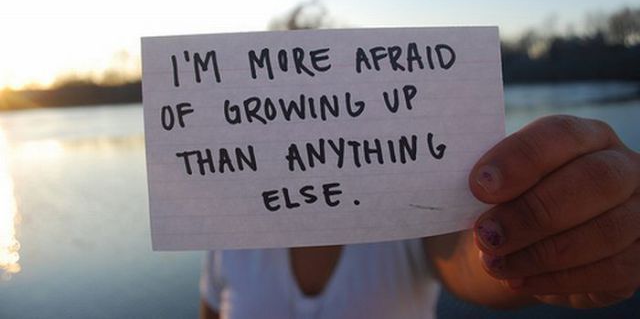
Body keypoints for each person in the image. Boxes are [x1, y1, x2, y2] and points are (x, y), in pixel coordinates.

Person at [199, 115, 640, 318]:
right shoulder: (232, 235)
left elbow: (465, 257)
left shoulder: (406, 213)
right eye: (284, 111)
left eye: (326, 107)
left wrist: (537, 245)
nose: (308, 128)